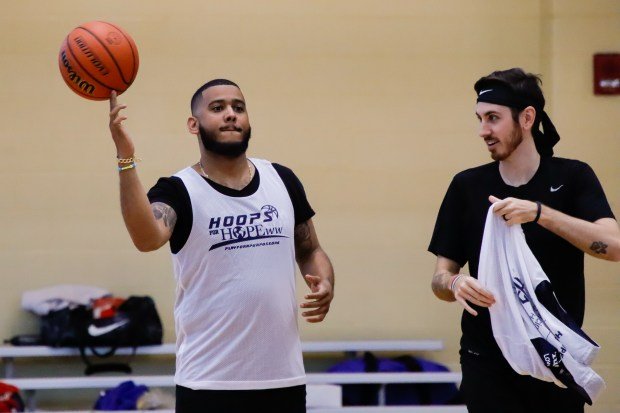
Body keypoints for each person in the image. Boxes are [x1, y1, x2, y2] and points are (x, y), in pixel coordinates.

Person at [108, 78, 335, 413]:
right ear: (193, 124)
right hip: (209, 383)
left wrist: (325, 281)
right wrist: (126, 160)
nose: (231, 114)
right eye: (218, 108)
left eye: (238, 107)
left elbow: (310, 250)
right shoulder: (178, 190)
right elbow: (146, 238)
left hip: (283, 380)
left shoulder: (282, 179)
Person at [428, 68, 620, 413]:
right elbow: (439, 278)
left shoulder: (573, 177)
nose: (482, 130)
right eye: (480, 119)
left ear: (527, 118)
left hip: (554, 357)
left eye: (493, 118)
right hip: (485, 361)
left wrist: (539, 213)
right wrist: (455, 283)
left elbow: (614, 246)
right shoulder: (466, 186)